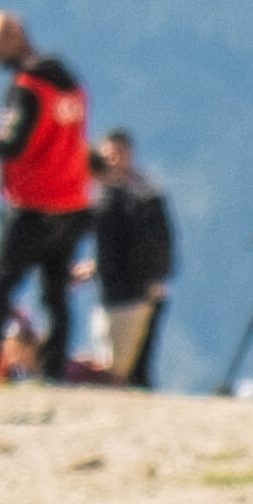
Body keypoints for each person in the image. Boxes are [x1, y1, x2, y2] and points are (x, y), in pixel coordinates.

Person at [0, 11, 91, 381]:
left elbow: (12, 141)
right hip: (71, 201)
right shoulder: (70, 84)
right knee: (55, 292)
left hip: (31, 204)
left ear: (16, 36)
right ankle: (53, 369)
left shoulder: (26, 87)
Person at [86, 129, 177, 384]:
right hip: (110, 290)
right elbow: (113, 246)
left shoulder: (143, 196)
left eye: (118, 154)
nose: (113, 160)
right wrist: (94, 268)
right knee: (112, 361)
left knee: (128, 368)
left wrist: (155, 278)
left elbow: (154, 244)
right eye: (108, 155)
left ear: (129, 155)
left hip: (138, 291)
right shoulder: (103, 194)